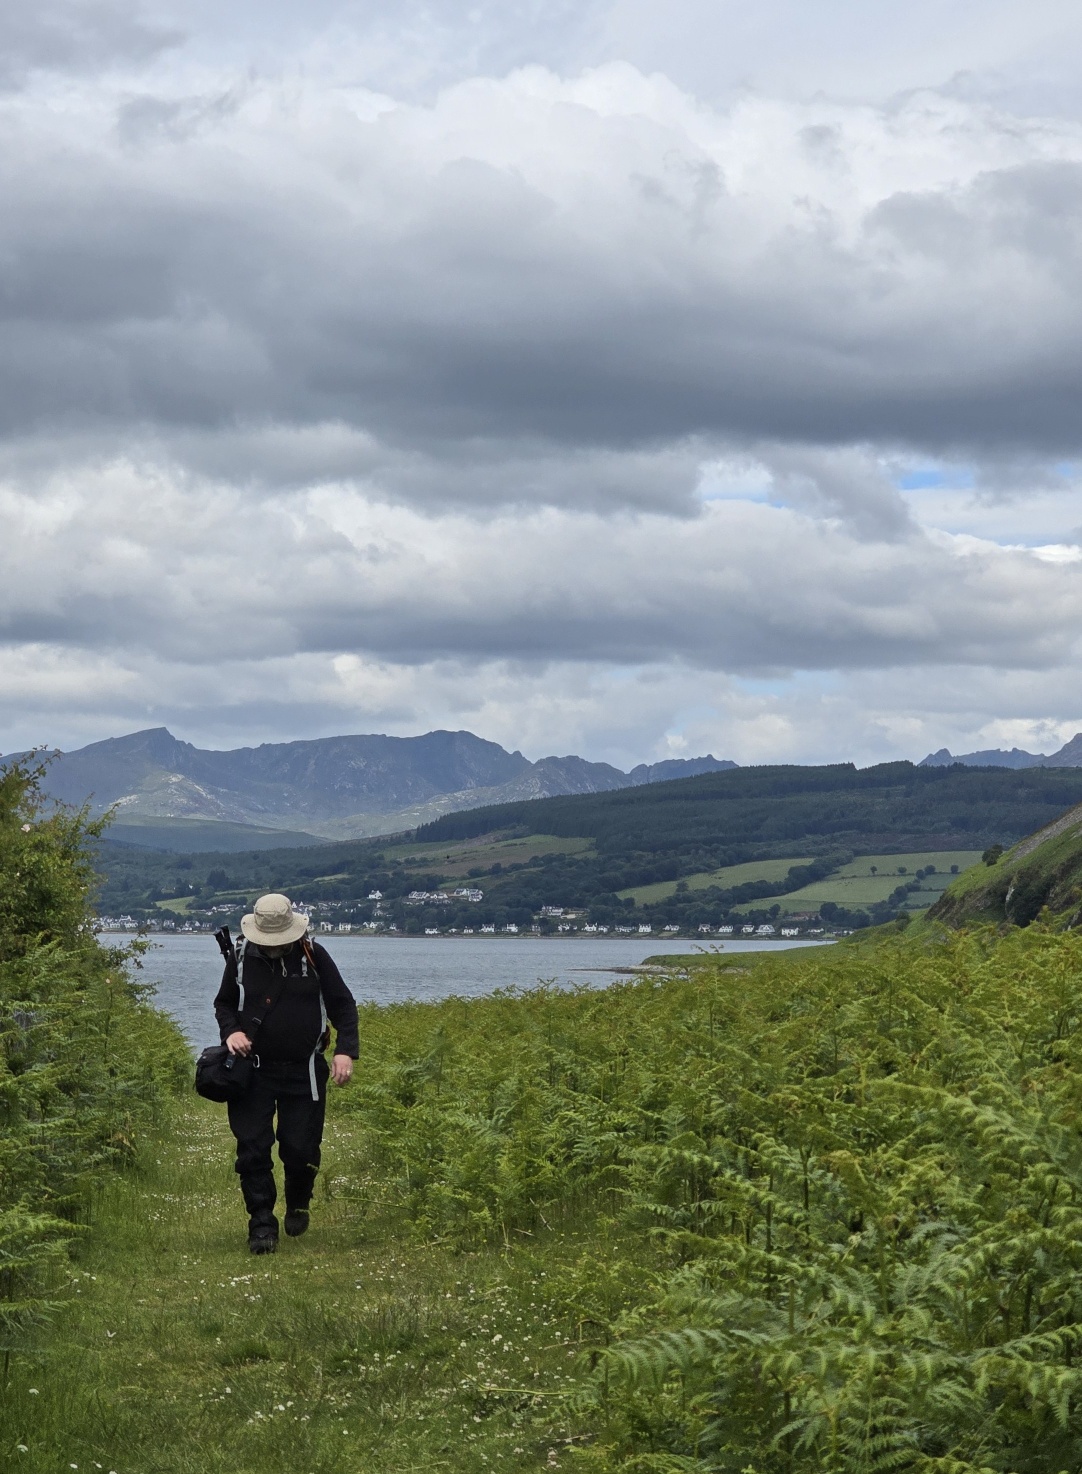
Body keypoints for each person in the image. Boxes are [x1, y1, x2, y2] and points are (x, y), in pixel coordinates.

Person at [214, 892, 359, 1254]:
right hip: (253, 1072)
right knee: (252, 1149)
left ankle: (298, 1199)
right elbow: (224, 1003)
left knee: (300, 1148)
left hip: (305, 1069)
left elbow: (343, 1004)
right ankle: (261, 1223)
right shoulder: (241, 958)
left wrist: (345, 1052)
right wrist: (230, 1032)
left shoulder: (314, 956)